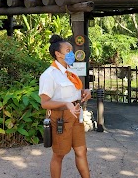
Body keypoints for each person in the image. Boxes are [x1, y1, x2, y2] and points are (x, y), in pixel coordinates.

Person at [39, 34, 91, 178]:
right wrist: (66, 103)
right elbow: (45, 103)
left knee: (82, 151)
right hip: (60, 118)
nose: (71, 53)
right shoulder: (49, 75)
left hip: (76, 116)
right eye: (68, 50)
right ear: (58, 54)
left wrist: (84, 92)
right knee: (59, 155)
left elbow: (74, 92)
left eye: (71, 50)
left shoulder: (71, 71)